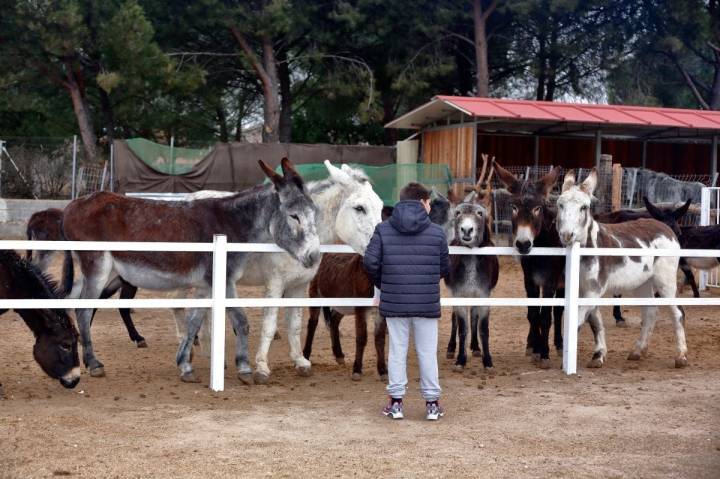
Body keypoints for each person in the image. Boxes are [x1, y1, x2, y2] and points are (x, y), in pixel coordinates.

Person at [363, 182, 450, 421]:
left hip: (394, 301)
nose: (430, 206)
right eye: (429, 202)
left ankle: (396, 404)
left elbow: (369, 263)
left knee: (397, 351)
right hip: (426, 303)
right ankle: (432, 404)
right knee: (427, 352)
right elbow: (445, 267)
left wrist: (385, 282)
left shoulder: (383, 229)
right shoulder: (437, 232)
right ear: (423, 202)